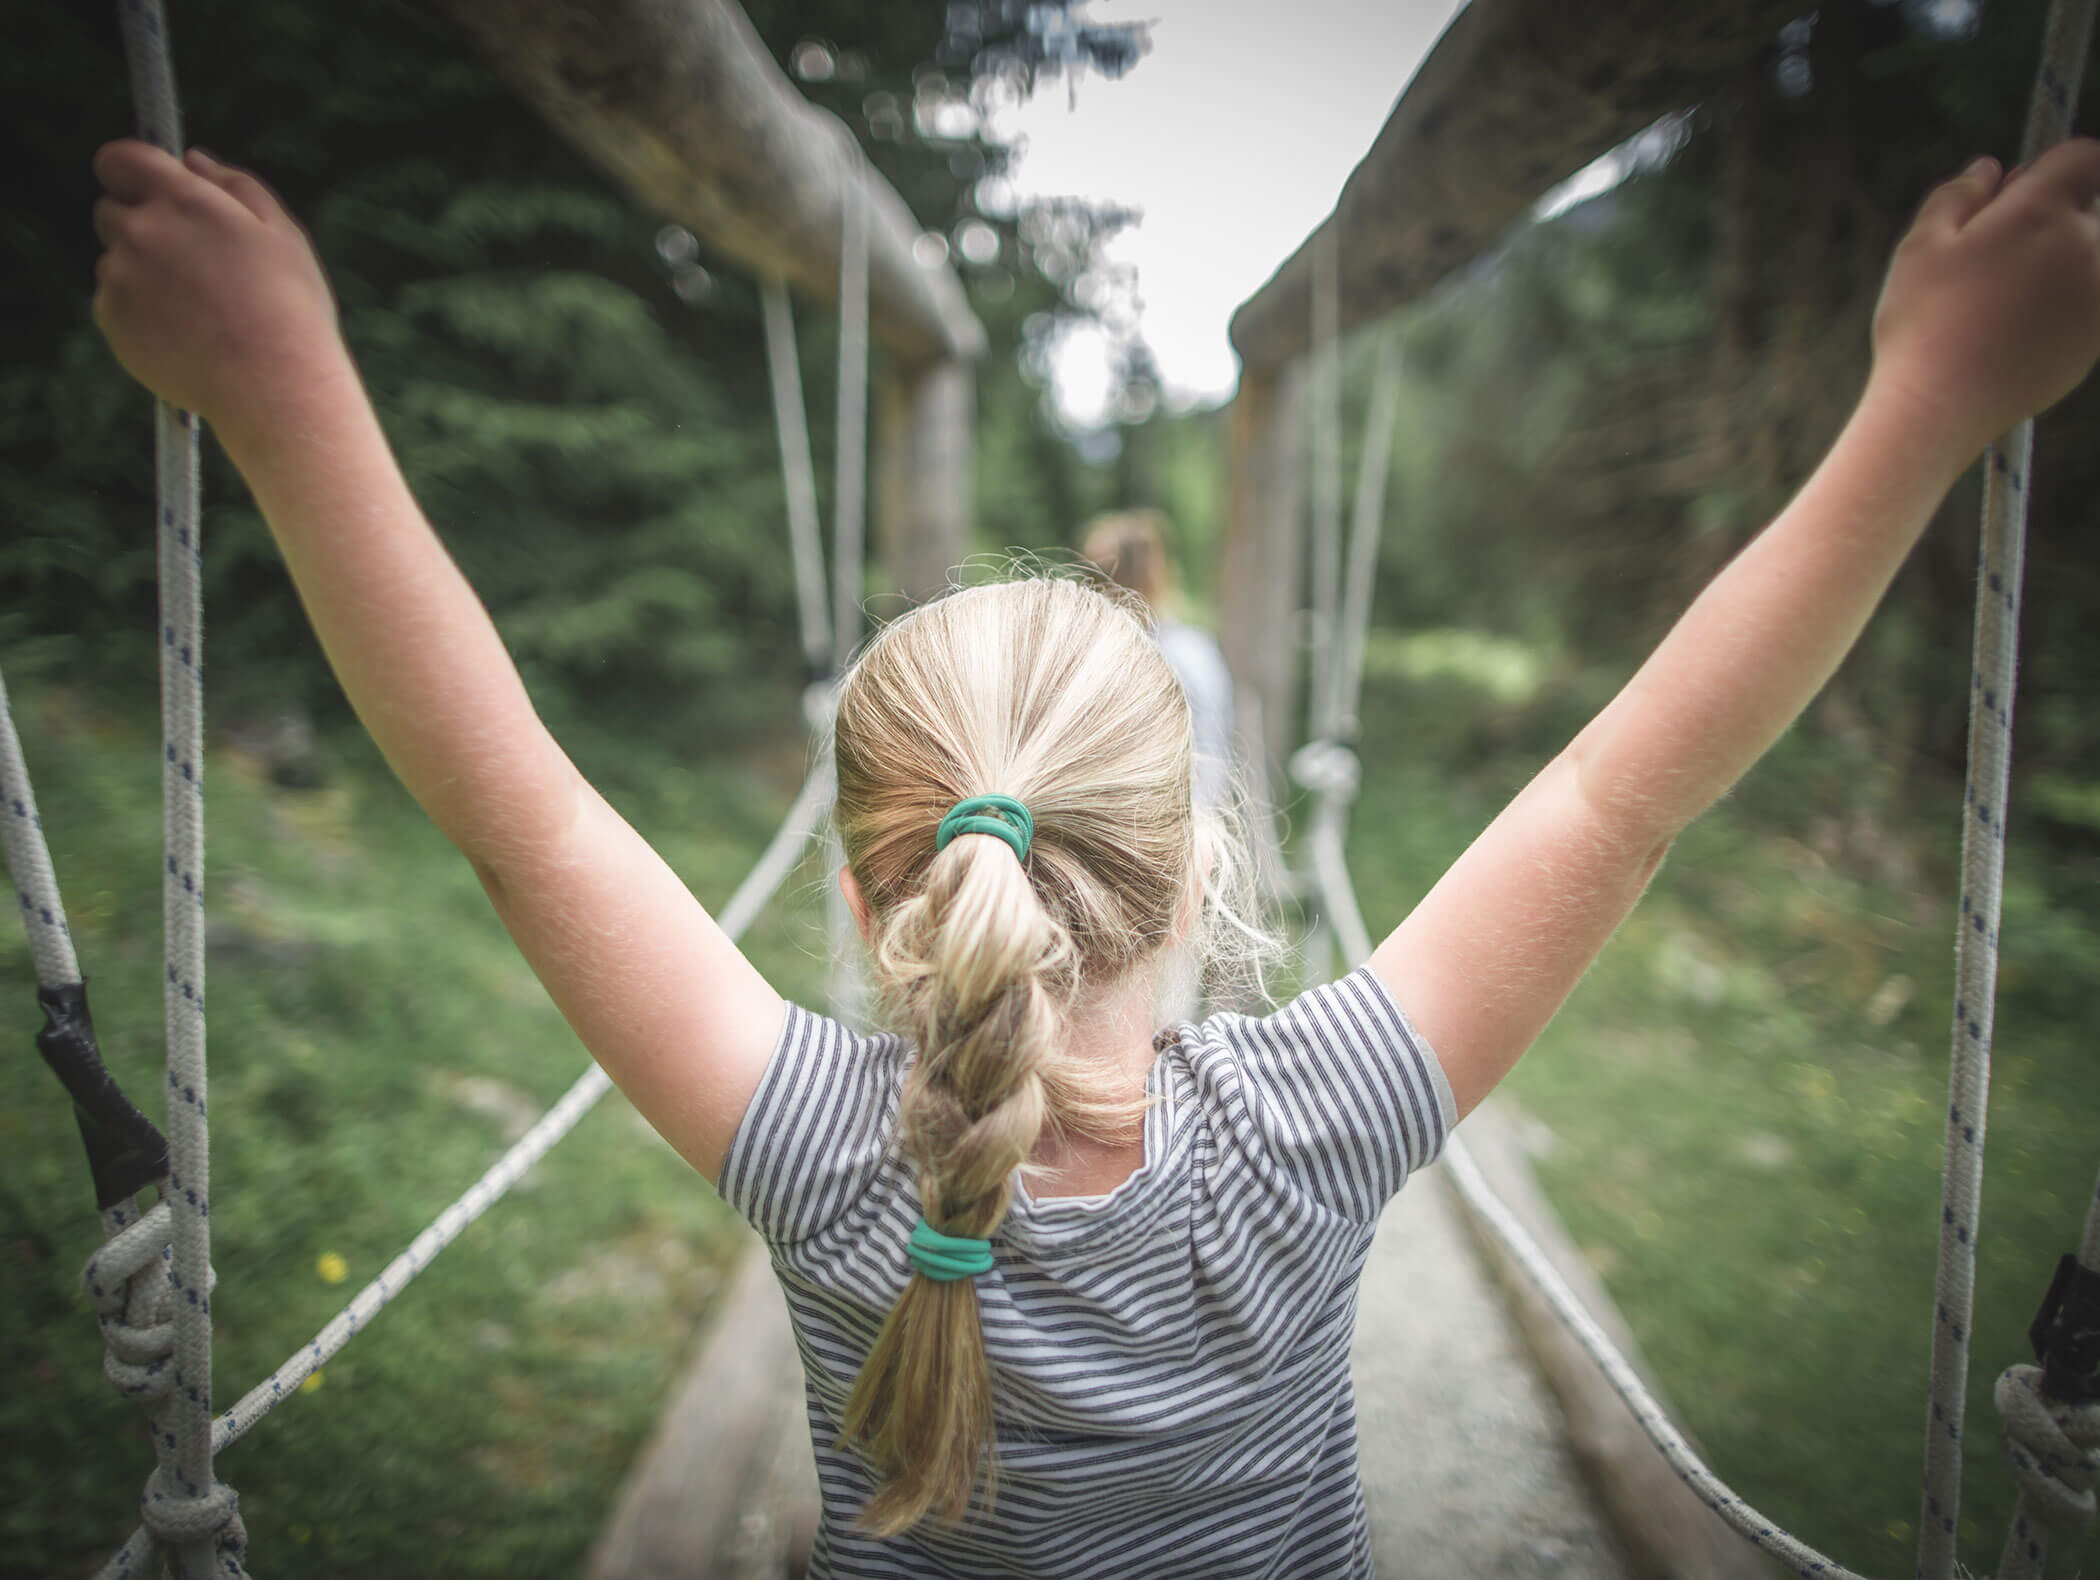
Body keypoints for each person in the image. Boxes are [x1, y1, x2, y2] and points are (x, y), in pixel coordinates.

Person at [89, 137, 2100, 1578]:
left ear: (875, 902)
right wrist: (1932, 393)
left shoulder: (817, 1151)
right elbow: (1618, 796)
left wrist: (285, 390)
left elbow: (521, 814)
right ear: (1206, 854)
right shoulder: (1317, 1122)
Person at [1078, 510, 1237, 810]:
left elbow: (1208, 753)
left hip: (1170, 820)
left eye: (1100, 576)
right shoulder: (1187, 649)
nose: (1091, 588)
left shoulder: (1180, 655)